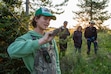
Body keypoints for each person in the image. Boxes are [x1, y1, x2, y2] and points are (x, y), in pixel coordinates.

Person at [7, 7, 61, 74]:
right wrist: (42, 41)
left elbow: (56, 62)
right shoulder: (27, 38)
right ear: (36, 19)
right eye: (45, 19)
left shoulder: (50, 39)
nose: (48, 22)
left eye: (49, 20)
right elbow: (11, 51)